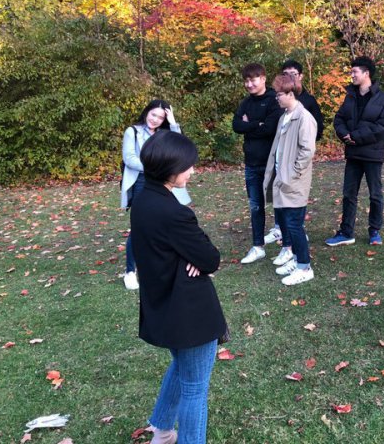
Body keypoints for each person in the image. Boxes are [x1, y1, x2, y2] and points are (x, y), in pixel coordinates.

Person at [131, 131, 228, 444]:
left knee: (182, 368)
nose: (192, 171)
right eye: (188, 166)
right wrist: (194, 256)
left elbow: (170, 249)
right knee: (195, 388)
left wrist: (189, 255)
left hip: (164, 305)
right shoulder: (174, 213)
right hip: (189, 313)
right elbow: (211, 258)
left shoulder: (143, 198)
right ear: (169, 169)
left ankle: (161, 431)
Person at [120, 99, 190, 290]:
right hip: (142, 181)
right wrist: (156, 168)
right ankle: (130, 271)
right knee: (140, 226)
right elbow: (129, 158)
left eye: (160, 117)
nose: (155, 120)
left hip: (165, 181)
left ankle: (172, 260)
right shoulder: (132, 131)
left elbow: (179, 147)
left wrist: (173, 123)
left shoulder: (164, 133)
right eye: (153, 114)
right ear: (146, 112)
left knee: (170, 219)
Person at [326, 56, 384, 247]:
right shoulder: (350, 96)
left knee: (375, 194)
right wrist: (345, 135)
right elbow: (339, 119)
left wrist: (356, 136)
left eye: (355, 72)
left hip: (373, 154)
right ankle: (346, 231)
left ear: (366, 73)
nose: (352, 75)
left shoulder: (383, 99)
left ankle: (374, 231)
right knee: (349, 194)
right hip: (353, 154)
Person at [263, 60, 325, 254]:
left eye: (279, 94)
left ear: (290, 94)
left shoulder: (304, 117)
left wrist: (292, 173)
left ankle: (303, 265)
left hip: (293, 179)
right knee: (286, 222)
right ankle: (291, 255)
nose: (276, 98)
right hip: (282, 176)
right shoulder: (284, 116)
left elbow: (307, 150)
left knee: (295, 225)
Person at [232, 63, 282, 265]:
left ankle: (287, 245)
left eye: (253, 80)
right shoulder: (246, 102)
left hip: (272, 163)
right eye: (246, 81)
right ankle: (258, 246)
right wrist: (256, 124)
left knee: (280, 204)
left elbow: (270, 128)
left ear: (263, 78)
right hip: (251, 164)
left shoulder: (273, 100)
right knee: (255, 206)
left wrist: (249, 125)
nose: (249, 84)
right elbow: (236, 125)